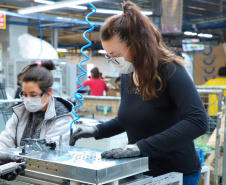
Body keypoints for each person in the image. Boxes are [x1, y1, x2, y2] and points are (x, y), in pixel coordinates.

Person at [70, 2, 208, 185]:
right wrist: (96, 130)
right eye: (108, 56)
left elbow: (198, 121)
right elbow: (129, 117)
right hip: (141, 172)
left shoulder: (170, 71)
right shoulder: (129, 74)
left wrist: (140, 147)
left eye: (115, 54)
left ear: (136, 45)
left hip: (176, 173)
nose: (112, 60)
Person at [0, 60, 75, 149]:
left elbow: (52, 154)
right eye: (24, 94)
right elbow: (5, 142)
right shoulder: (20, 113)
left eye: (33, 95)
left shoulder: (62, 118)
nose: (28, 99)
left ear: (49, 91)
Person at [203, 66, 226, 133]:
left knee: (212, 134)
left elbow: (201, 89)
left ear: (218, 73)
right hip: (224, 113)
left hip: (212, 112)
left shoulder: (211, 82)